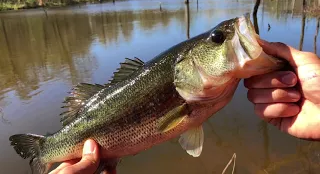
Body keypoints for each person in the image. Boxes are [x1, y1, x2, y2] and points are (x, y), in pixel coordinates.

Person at [51, 39, 320, 174]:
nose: (227, 39)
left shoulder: (196, 100)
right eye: (217, 38)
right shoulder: (186, 96)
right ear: (185, 69)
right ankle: (45, 151)